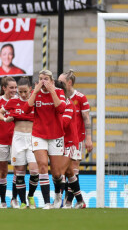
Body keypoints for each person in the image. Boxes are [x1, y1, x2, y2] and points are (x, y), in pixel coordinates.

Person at [24, 69, 66, 209]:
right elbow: (26, 109)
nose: (43, 81)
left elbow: (61, 109)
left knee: (56, 173)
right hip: (39, 134)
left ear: (52, 81)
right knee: (42, 165)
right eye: (41, 78)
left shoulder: (59, 92)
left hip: (56, 135)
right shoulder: (35, 94)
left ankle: (58, 196)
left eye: (46, 78)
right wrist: (35, 92)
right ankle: (47, 202)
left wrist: (52, 90)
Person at [0, 77, 39, 209]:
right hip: (18, 138)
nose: (23, 94)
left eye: (25, 91)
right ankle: (23, 202)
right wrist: (5, 119)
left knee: (34, 171)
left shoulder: (35, 101)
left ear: (30, 89)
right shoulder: (13, 101)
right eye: (20, 92)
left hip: (33, 138)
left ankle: (30, 195)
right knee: (19, 172)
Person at [58, 69, 93, 208]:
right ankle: (78, 201)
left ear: (69, 82)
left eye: (61, 82)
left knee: (72, 169)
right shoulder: (59, 97)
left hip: (77, 139)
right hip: (61, 139)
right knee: (66, 171)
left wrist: (88, 139)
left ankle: (67, 202)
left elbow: (86, 119)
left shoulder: (80, 98)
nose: (59, 84)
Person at [53, 80, 87, 209]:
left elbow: (64, 124)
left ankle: (59, 202)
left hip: (70, 143)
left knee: (60, 171)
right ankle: (80, 201)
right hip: (60, 142)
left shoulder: (68, 105)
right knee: (69, 172)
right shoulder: (55, 106)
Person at [0, 76, 17, 208]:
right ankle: (2, 201)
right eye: (11, 87)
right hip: (1, 141)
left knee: (18, 171)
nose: (14, 90)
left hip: (16, 141)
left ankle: (14, 199)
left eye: (15, 87)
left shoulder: (19, 101)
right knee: (3, 171)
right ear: (4, 88)